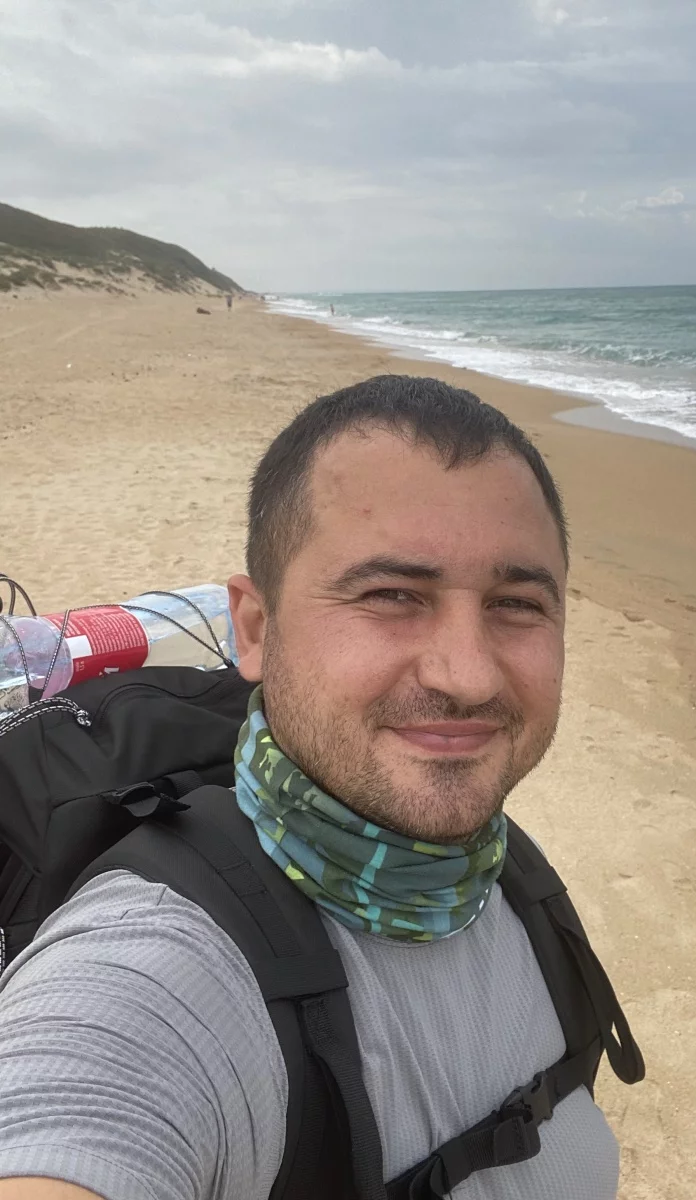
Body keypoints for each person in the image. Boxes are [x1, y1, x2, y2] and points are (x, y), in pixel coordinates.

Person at [0, 375, 635, 1199]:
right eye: (392, 595)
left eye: (516, 604)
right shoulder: (155, 974)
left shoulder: (506, 873)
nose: (469, 675)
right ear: (256, 629)